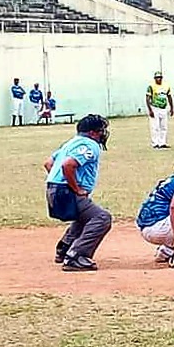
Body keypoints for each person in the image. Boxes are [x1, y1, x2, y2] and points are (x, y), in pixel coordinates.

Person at [43, 114, 113, 272]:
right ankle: (76, 256)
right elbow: (68, 165)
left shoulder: (71, 142)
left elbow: (49, 163)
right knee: (102, 218)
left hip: (54, 189)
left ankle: (64, 248)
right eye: (101, 130)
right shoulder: (90, 144)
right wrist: (75, 188)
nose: (103, 133)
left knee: (85, 216)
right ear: (92, 133)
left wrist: (57, 182)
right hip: (65, 192)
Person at [146, 71, 174, 149]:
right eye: (157, 78)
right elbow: (147, 98)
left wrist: (172, 108)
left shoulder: (166, 86)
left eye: (160, 77)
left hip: (163, 108)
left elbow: (169, 97)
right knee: (155, 126)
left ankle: (162, 142)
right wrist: (150, 109)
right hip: (155, 107)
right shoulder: (151, 86)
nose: (158, 79)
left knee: (164, 126)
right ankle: (155, 143)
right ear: (154, 79)